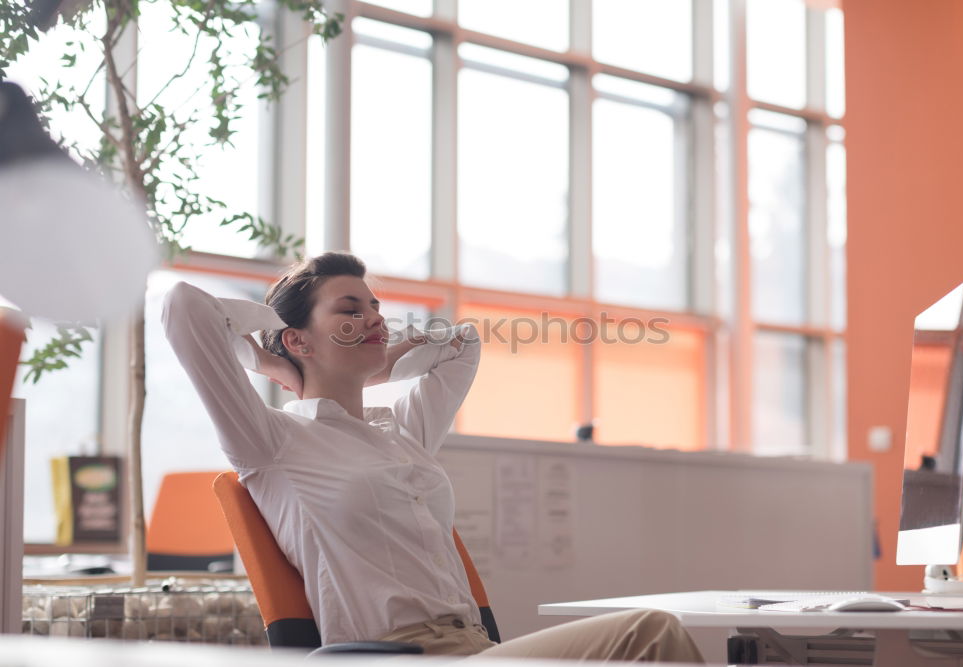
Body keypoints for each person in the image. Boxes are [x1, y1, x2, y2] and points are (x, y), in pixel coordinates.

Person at [162, 251, 704, 662]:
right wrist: (274, 358)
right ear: (297, 340)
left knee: (653, 637)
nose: (375, 318)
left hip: (471, 647)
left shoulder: (401, 435)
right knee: (651, 634)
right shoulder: (273, 442)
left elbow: (462, 344)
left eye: (375, 307)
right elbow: (183, 306)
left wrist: (371, 366)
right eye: (349, 310)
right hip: (402, 655)